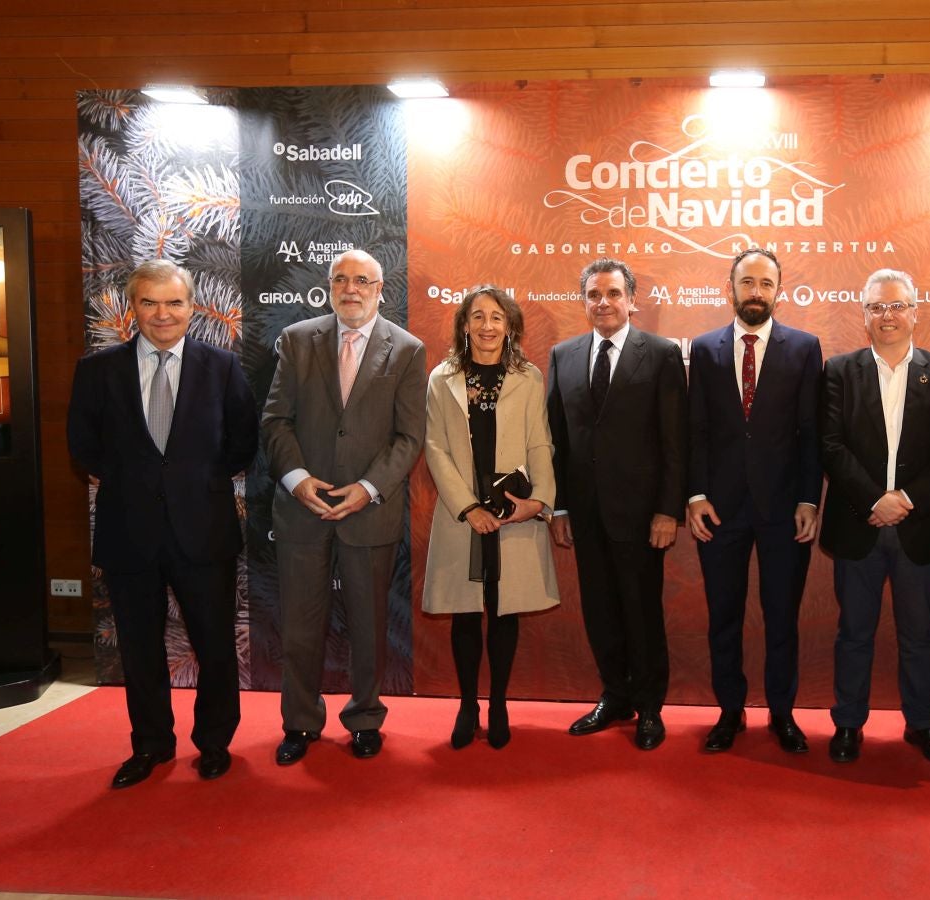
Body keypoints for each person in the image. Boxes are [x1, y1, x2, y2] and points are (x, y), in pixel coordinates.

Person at [67, 259, 258, 787]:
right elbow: (83, 446)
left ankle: (214, 741)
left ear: (192, 308)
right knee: (139, 647)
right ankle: (150, 744)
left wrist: (194, 482)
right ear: (133, 309)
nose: (162, 313)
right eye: (149, 302)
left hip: (204, 528)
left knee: (215, 643)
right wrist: (138, 481)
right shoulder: (98, 370)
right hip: (129, 532)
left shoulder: (221, 368)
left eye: (173, 302)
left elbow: (243, 441)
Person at [262, 249, 426, 765]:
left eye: (362, 280)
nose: (350, 289)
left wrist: (368, 488)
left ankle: (364, 718)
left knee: (369, 625)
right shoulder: (297, 339)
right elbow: (275, 420)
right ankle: (300, 723)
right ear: (327, 287)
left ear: (381, 290)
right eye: (340, 280)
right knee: (300, 626)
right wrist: (296, 479)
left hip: (369, 511)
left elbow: (409, 435)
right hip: (302, 509)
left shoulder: (406, 349)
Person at [819, 268, 930, 765]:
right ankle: (847, 724)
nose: (887, 315)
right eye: (877, 307)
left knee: (919, 636)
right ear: (863, 314)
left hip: (918, 527)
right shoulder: (840, 370)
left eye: (897, 305)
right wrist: (874, 501)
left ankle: (922, 725)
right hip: (858, 525)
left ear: (914, 311)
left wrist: (904, 499)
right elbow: (831, 446)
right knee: (853, 634)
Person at [546, 257, 688, 750]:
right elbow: (556, 443)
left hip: (643, 516)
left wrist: (668, 510)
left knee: (641, 611)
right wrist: (559, 508)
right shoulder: (563, 356)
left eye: (612, 294)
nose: (602, 303)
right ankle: (615, 696)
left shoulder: (663, 354)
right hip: (584, 514)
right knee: (601, 611)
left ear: (631, 300)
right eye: (593, 295)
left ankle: (649, 706)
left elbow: (675, 440)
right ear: (583, 302)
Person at [686, 249, 822, 754]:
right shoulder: (704, 349)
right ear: (731, 288)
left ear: (778, 290)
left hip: (785, 509)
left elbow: (811, 432)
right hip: (720, 510)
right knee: (724, 616)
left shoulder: (805, 347)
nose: (757, 292)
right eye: (748, 283)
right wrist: (695, 494)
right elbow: (694, 429)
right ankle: (729, 711)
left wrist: (810, 498)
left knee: (781, 616)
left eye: (767, 283)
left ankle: (782, 714)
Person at [422, 285, 559, 750]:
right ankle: (467, 705)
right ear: (464, 325)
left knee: (504, 613)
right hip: (464, 515)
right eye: (477, 317)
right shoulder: (442, 378)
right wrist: (468, 507)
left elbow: (541, 443)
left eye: (496, 317)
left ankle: (498, 703)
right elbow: (435, 447)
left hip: (513, 515)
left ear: (510, 326)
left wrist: (538, 503)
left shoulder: (529, 377)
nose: (486, 326)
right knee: (465, 615)